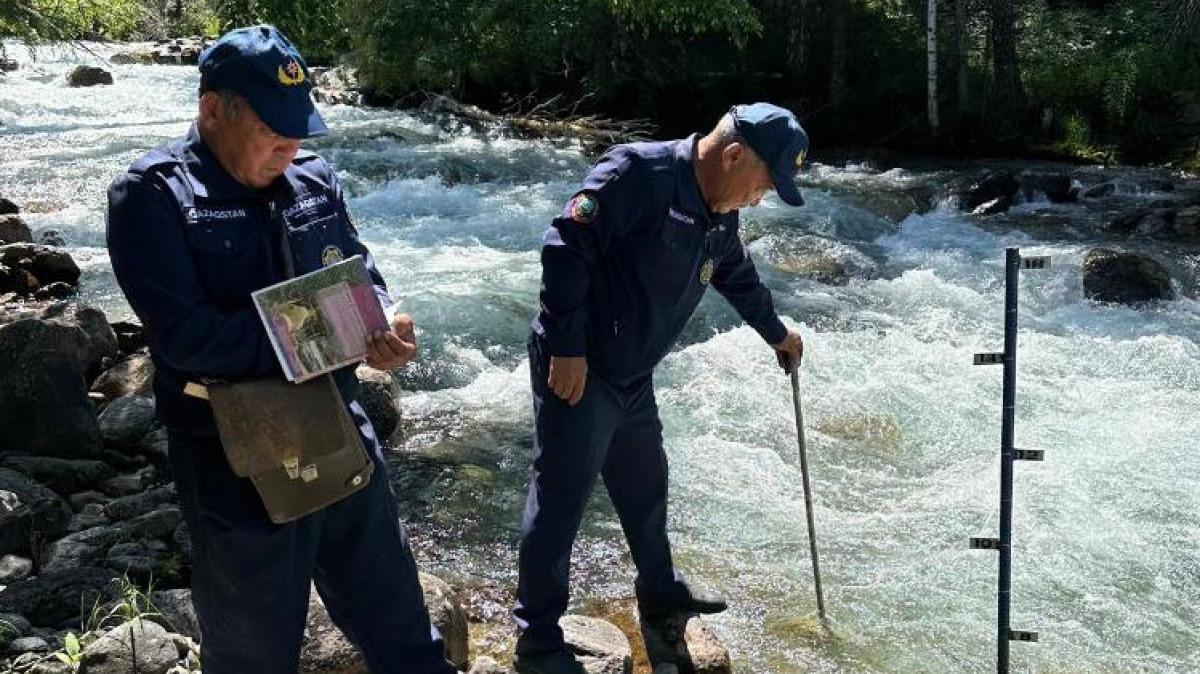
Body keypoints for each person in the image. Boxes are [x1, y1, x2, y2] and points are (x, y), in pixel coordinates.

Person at [106, 25, 457, 674]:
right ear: (214, 110)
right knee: (253, 654)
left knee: (403, 630)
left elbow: (358, 274)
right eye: (273, 130)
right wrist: (331, 332)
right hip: (231, 451)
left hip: (339, 423)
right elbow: (187, 338)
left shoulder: (313, 177)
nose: (290, 146)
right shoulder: (152, 196)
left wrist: (380, 329)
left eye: (300, 128)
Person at [513, 103, 809, 674]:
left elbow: (734, 272)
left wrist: (776, 332)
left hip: (633, 375)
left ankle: (661, 601)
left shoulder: (719, 210)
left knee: (646, 487)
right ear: (732, 155)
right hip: (582, 366)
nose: (761, 197)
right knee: (560, 500)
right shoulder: (636, 175)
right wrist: (567, 346)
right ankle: (538, 640)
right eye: (765, 183)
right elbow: (565, 246)